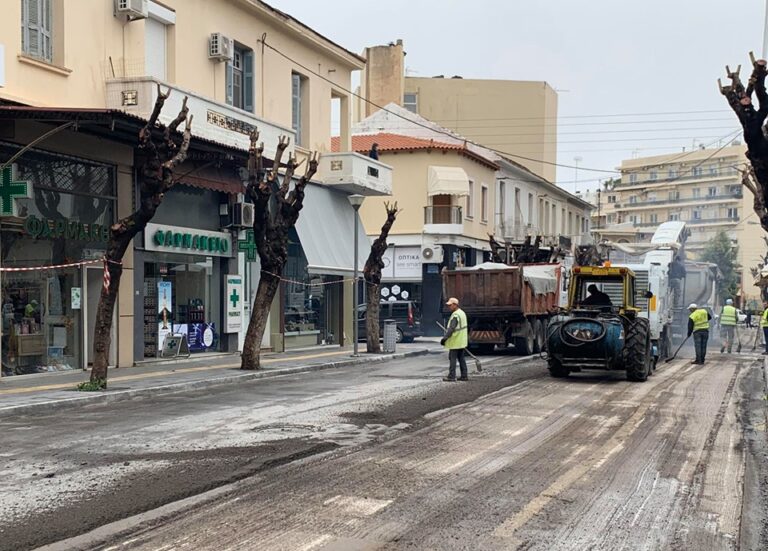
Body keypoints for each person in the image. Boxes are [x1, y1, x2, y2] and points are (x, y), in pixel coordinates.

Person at [440, 297, 468, 382]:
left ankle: (451, 376)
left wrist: (444, 338)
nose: (449, 307)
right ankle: (464, 375)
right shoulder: (462, 313)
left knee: (452, 358)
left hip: (456, 341)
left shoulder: (456, 315)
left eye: (450, 305)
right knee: (461, 358)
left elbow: (451, 328)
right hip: (462, 341)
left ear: (455, 305)